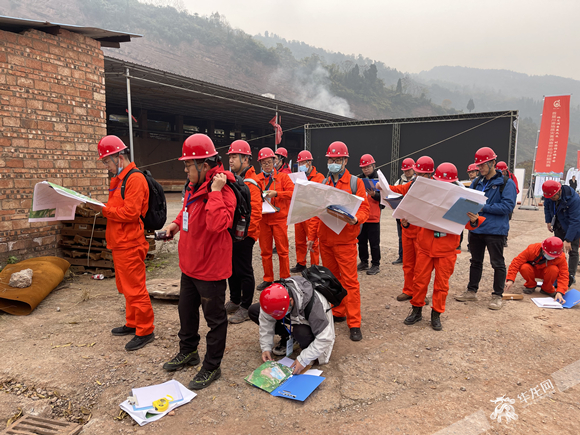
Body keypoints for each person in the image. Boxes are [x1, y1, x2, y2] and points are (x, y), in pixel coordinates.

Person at [162, 134, 236, 390]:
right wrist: (174, 225)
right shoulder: (194, 187)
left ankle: (212, 365)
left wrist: (215, 193)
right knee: (186, 312)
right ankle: (188, 351)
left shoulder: (224, 190)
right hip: (190, 266)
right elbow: (188, 209)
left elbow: (218, 224)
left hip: (211, 270)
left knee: (215, 320)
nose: (184, 169)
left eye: (188, 165)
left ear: (204, 165)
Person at [88, 135, 155, 351]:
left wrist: (103, 209)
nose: (107, 167)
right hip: (119, 243)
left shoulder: (135, 179)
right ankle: (132, 322)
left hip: (130, 243)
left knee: (135, 288)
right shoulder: (118, 180)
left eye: (107, 161)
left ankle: (145, 330)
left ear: (119, 157)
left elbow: (130, 212)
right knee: (126, 287)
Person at [404, 163, 484, 331]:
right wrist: (406, 224)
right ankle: (416, 311)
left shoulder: (463, 198)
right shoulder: (427, 196)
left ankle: (436, 314)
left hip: (447, 250)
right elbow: (415, 218)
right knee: (419, 281)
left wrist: (474, 219)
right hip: (425, 247)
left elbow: (470, 223)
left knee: (441, 285)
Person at [307, 141, 369, 341]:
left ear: (345, 160)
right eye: (330, 159)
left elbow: (364, 208)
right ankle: (339, 312)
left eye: (337, 159)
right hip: (326, 241)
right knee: (332, 280)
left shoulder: (354, 183)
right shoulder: (324, 184)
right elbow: (317, 213)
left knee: (350, 282)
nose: (333, 162)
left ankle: (355, 323)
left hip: (345, 241)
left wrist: (356, 219)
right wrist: (312, 237)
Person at [456, 147, 517, 310]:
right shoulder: (477, 182)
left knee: (497, 263)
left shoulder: (506, 183)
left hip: (495, 230)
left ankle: (497, 295)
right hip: (476, 229)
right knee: (475, 261)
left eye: (483, 165)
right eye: (479, 165)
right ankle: (471, 291)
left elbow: (507, 207)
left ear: (493, 163)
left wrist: (482, 207)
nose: (480, 168)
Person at [248, 281, 335, 373]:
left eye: (281, 313)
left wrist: (304, 359)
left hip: (308, 320)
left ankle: (306, 345)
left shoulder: (314, 307)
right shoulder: (270, 300)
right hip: (294, 315)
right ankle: (288, 337)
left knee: (301, 332)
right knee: (254, 311)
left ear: (290, 300)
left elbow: (326, 337)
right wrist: (266, 348)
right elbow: (266, 323)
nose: (278, 318)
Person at [387, 156, 435, 301]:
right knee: (408, 264)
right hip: (408, 230)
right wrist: (383, 187)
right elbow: (397, 189)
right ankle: (408, 290)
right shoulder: (412, 184)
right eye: (417, 174)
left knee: (422, 267)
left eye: (421, 174)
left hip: (423, 233)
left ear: (429, 174)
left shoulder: (435, 189)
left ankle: (421, 293)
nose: (417, 177)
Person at [225, 140, 263, 324]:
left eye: (234, 157)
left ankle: (246, 306)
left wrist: (246, 237)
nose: (230, 160)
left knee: (244, 270)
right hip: (232, 233)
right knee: (231, 268)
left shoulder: (251, 183)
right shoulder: (233, 179)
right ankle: (234, 299)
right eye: (230, 157)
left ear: (245, 158)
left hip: (244, 235)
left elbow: (255, 214)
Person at [256, 147, 295, 291]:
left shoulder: (283, 177)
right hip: (263, 220)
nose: (267, 164)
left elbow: (292, 193)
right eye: (264, 162)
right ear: (260, 163)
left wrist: (277, 193)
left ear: (274, 161)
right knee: (265, 251)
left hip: (279, 219)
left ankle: (285, 277)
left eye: (269, 161)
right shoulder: (257, 180)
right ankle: (268, 278)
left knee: (282, 250)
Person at [290, 150, 325, 273]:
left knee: (313, 241)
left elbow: (321, 196)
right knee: (299, 240)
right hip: (300, 212)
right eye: (299, 163)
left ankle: (314, 266)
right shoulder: (297, 177)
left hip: (311, 213)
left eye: (303, 162)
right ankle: (301, 263)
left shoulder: (319, 178)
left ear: (309, 163)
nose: (301, 165)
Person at [505, 237, 568, 302]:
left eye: (553, 256)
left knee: (554, 269)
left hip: (547, 272)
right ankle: (530, 285)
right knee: (524, 267)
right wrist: (510, 279)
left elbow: (564, 274)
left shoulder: (561, 256)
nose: (551, 257)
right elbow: (516, 262)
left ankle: (547, 288)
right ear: (543, 250)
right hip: (532, 270)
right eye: (549, 254)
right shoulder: (532, 249)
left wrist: (560, 291)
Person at [542, 180, 580, 286]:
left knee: (572, 251)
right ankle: (559, 273)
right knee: (558, 251)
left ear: (559, 191)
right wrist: (548, 220)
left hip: (573, 228)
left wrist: (568, 239)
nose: (551, 199)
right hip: (559, 225)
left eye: (553, 197)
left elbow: (575, 220)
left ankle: (571, 275)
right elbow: (547, 206)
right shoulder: (549, 195)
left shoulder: (573, 199)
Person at [357, 154, 384, 275]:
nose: (365, 169)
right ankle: (363, 262)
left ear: (373, 165)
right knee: (361, 241)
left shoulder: (380, 180)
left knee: (374, 243)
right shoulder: (359, 180)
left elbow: (384, 200)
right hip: (362, 217)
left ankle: (375, 264)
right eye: (363, 167)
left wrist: (375, 195)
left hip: (374, 217)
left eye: (368, 167)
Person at [392, 158, 415, 264]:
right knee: (401, 236)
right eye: (405, 170)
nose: (406, 172)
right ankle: (402, 256)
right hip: (401, 212)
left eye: (408, 170)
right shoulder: (399, 181)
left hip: (413, 214)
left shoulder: (417, 181)